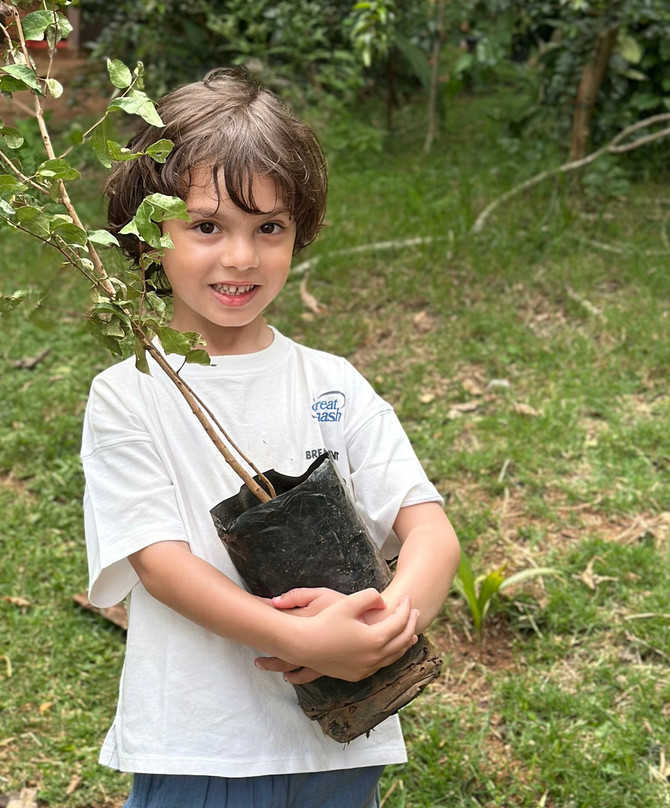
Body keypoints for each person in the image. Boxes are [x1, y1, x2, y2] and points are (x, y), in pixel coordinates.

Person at [80, 67, 461, 808]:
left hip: (340, 747)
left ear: (299, 231)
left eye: (269, 228)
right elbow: (162, 565)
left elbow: (430, 529)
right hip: (201, 749)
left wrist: (387, 623)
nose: (241, 258)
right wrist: (302, 640)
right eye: (206, 226)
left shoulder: (332, 384)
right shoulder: (129, 393)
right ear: (147, 233)